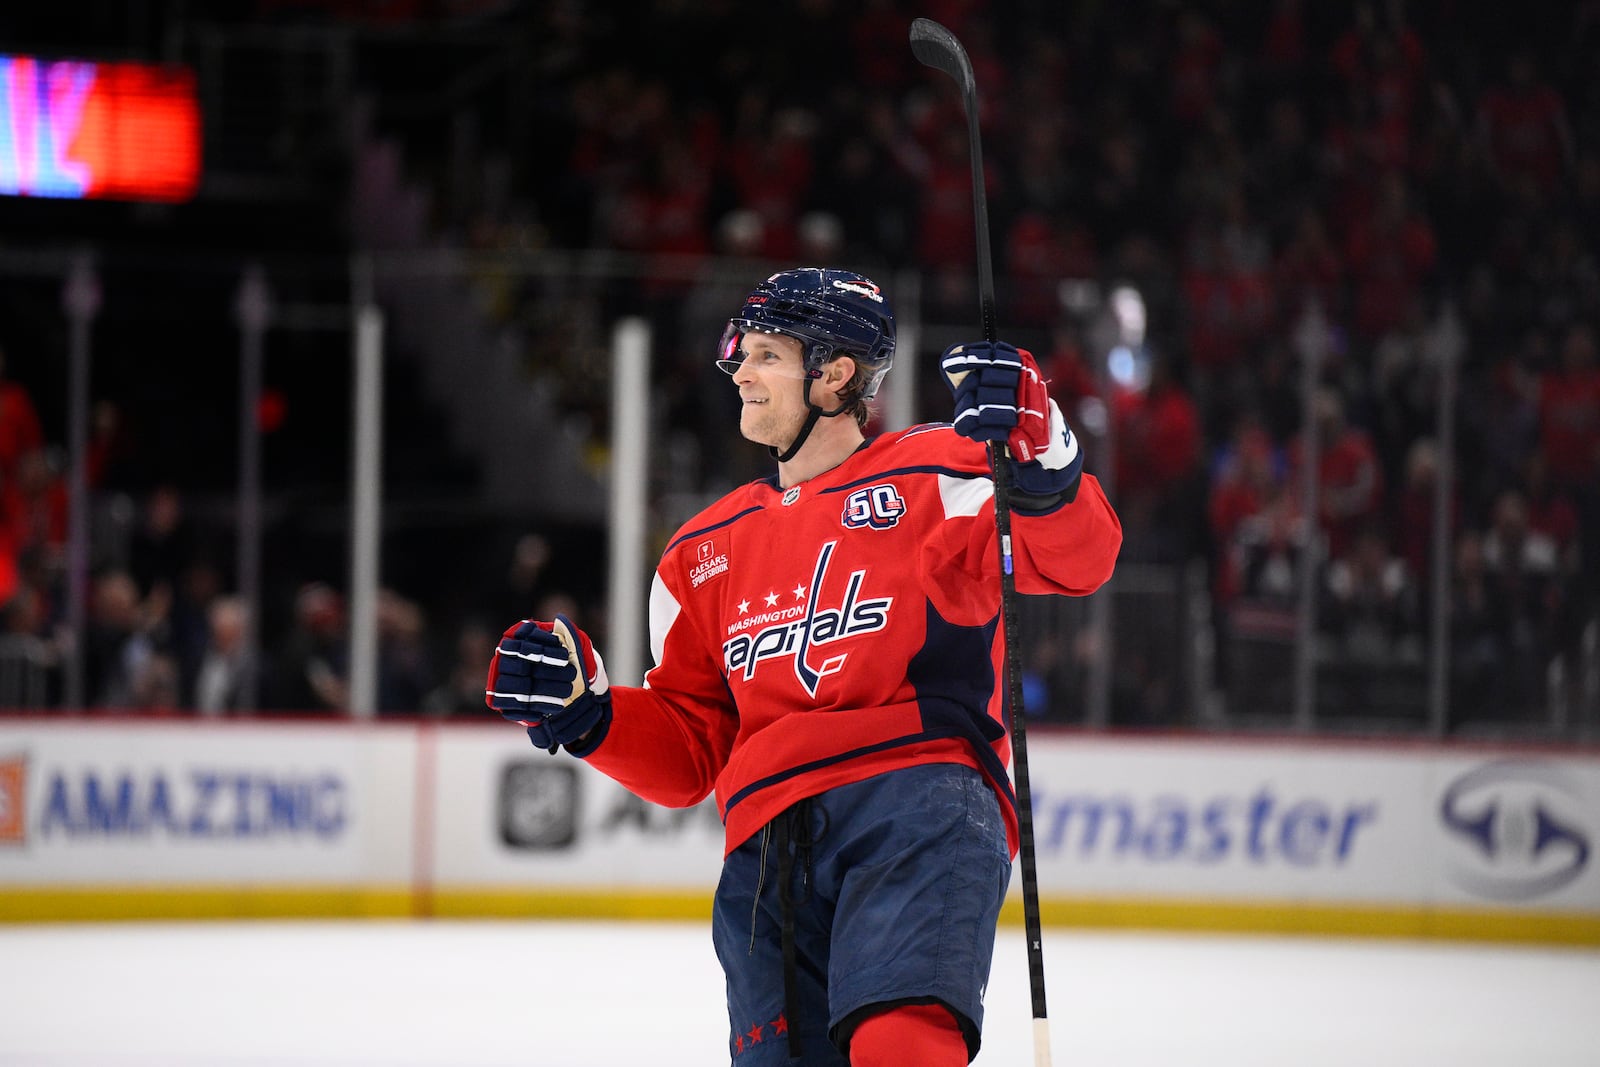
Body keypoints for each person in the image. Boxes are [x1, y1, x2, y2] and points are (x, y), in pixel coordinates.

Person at [484, 267, 1121, 1066]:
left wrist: (1045, 452)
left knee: (901, 1047)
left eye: (764, 355)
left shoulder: (939, 470)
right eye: (740, 355)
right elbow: (691, 749)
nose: (739, 372)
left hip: (914, 802)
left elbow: (1080, 560)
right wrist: (593, 716)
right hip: (763, 851)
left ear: (835, 372)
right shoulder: (699, 553)